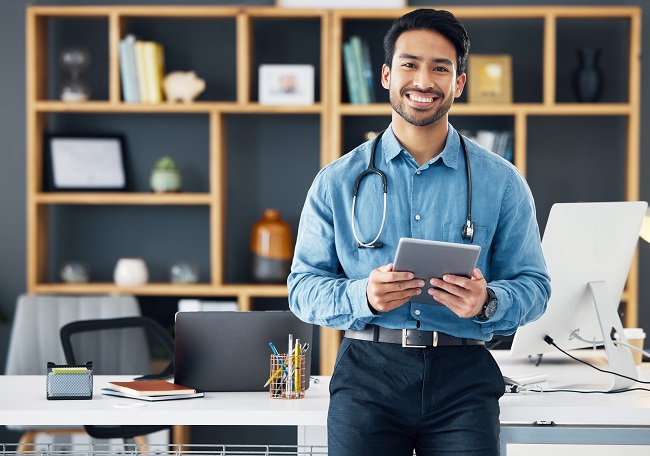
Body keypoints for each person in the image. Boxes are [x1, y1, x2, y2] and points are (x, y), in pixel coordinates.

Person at [288, 8, 551, 456]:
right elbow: (302, 288)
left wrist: (487, 302)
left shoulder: (502, 182)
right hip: (368, 375)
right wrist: (363, 297)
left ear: (458, 84)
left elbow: (535, 287)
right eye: (409, 64)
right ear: (388, 75)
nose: (423, 81)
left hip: (464, 379)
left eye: (440, 68)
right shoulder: (336, 180)